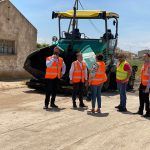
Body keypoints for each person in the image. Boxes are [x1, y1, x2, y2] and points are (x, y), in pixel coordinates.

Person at [135, 53, 150, 117]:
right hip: (142, 83)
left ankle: (148, 112)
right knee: (141, 97)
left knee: (146, 99)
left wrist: (148, 87)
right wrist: (140, 83)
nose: (143, 57)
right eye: (143, 56)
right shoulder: (144, 64)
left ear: (148, 57)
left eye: (145, 56)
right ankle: (140, 111)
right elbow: (143, 75)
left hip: (147, 85)